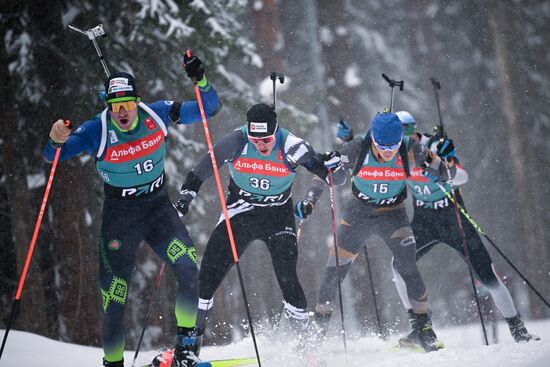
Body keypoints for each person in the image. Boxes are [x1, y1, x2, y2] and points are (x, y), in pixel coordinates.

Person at [43, 54, 221, 367]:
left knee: (189, 270)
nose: (121, 111)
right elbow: (53, 156)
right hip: (120, 218)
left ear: (137, 102)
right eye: (114, 105)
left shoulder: (157, 113)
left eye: (126, 103)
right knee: (114, 300)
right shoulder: (96, 130)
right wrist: (55, 140)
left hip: (157, 211)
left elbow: (209, 109)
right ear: (107, 106)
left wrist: (201, 80)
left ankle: (185, 351)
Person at [174, 103, 345, 351]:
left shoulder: (292, 146)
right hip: (240, 212)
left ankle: (307, 346)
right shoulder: (236, 141)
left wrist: (335, 165)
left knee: (287, 277)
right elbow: (199, 172)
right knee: (207, 277)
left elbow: (336, 180)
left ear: (275, 132)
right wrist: (185, 199)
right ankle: (189, 343)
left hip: (278, 216)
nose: (260, 145)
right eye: (255, 139)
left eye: (265, 139)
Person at [299, 112, 455, 352]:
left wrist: (448, 159)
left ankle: (424, 329)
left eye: (393, 147)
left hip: (393, 215)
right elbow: (324, 173)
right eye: (383, 147)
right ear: (373, 140)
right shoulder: (358, 147)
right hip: (358, 214)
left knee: (408, 266)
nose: (388, 153)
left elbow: (447, 176)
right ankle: (316, 335)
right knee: (334, 273)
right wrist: (310, 200)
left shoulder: (410, 147)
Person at [392, 110, 540, 347]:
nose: (403, 140)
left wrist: (443, 171)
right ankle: (418, 327)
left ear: (413, 130)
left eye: (406, 132)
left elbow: (461, 177)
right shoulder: (394, 155)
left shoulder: (434, 145)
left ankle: (518, 329)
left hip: (453, 218)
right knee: (398, 266)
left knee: (488, 276)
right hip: (424, 222)